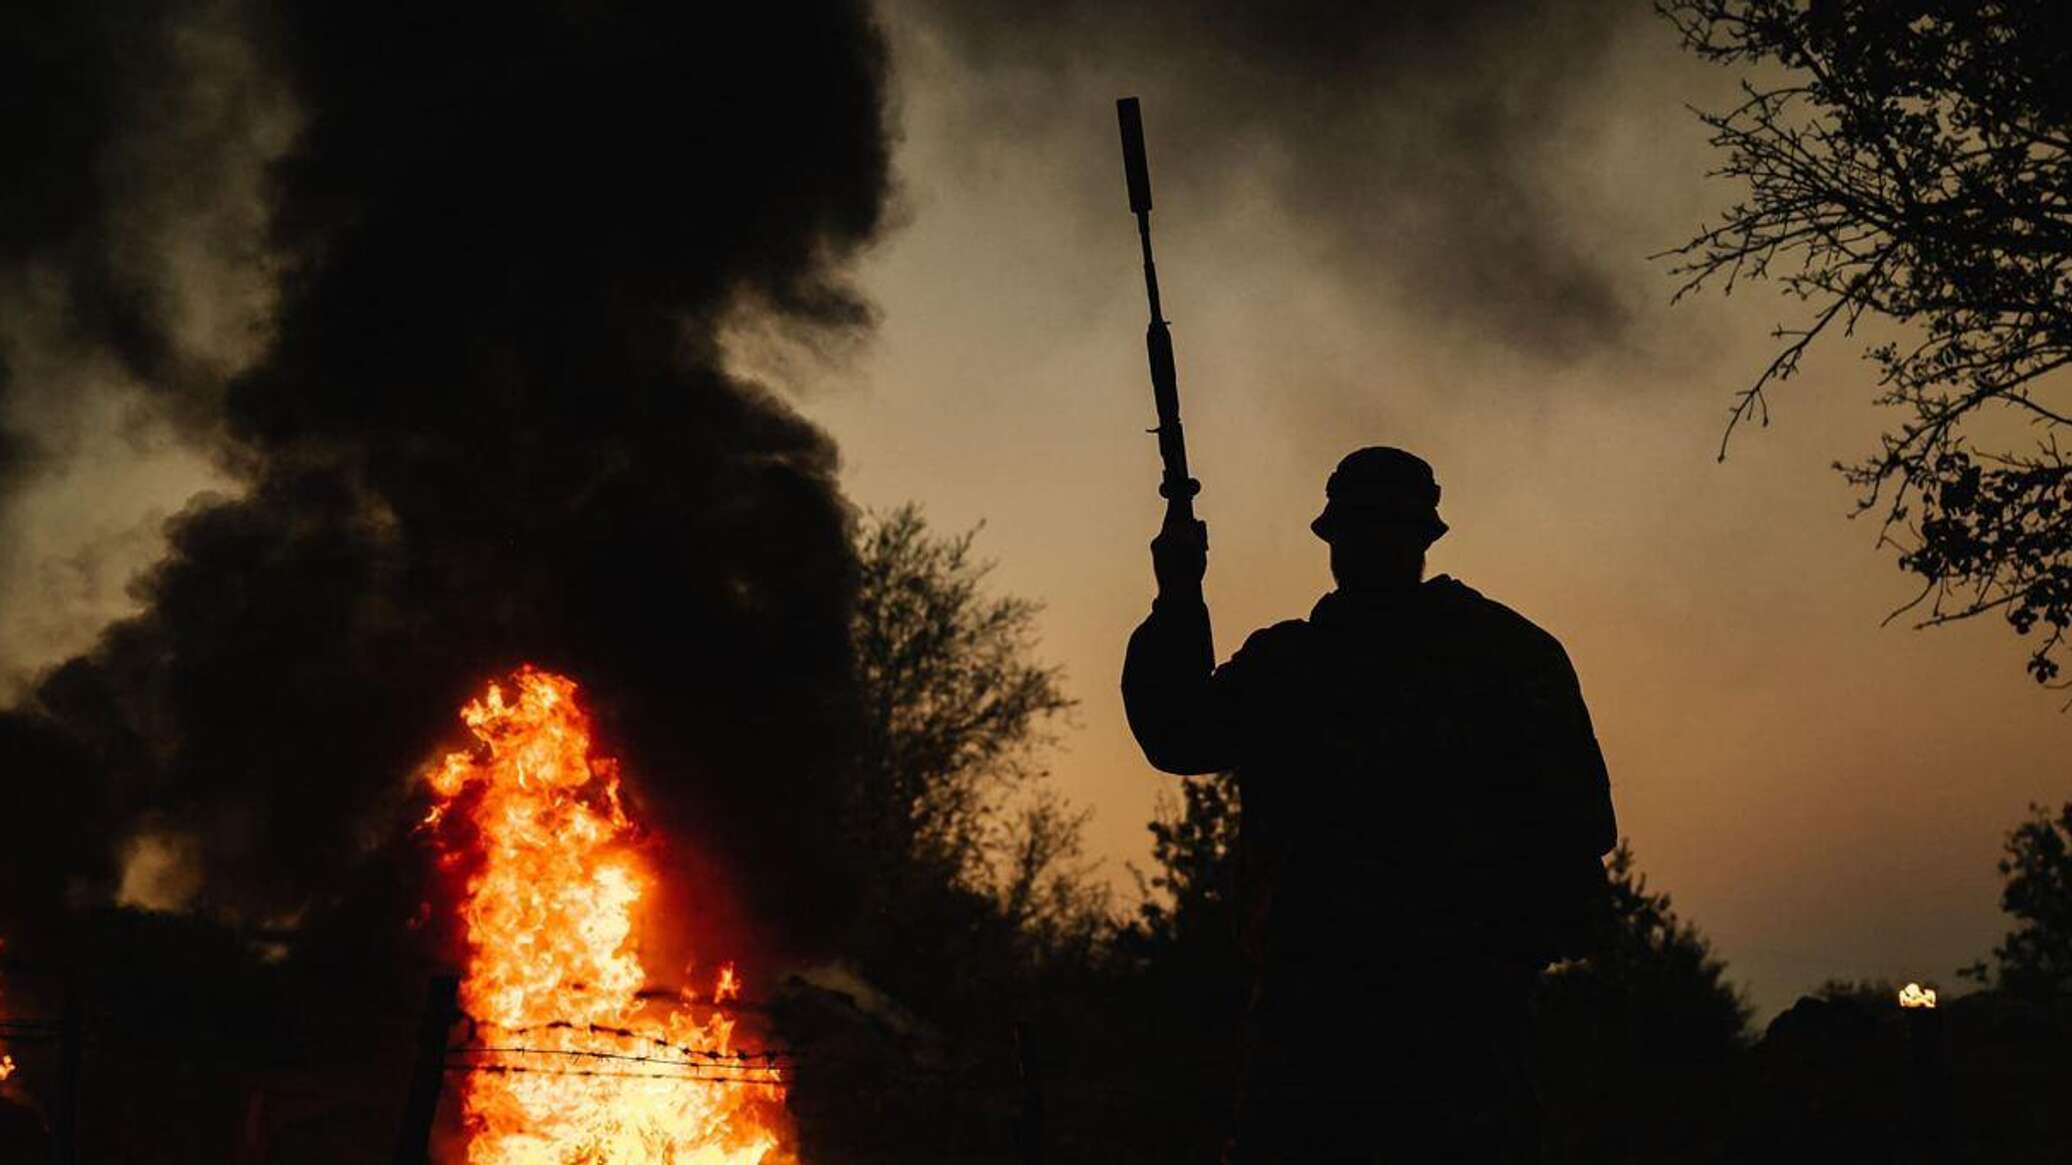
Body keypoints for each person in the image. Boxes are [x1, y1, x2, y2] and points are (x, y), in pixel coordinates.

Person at [1122, 446, 1617, 1164]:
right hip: (1459, 1042)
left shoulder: (1294, 669)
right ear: (1425, 537)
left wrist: (1177, 594)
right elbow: (1583, 833)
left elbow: (1176, 729)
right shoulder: (1514, 657)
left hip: (1326, 1039)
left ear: (1333, 542)